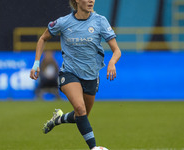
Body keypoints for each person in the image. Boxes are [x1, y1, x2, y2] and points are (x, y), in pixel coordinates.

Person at [30, 0, 121, 149]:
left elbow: (117, 50)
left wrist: (112, 63)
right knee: (80, 108)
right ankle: (94, 147)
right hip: (69, 73)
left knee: (81, 116)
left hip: (91, 76)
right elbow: (43, 38)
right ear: (77, 0)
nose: (91, 0)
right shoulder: (63, 22)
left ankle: (58, 119)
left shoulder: (100, 21)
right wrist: (36, 63)